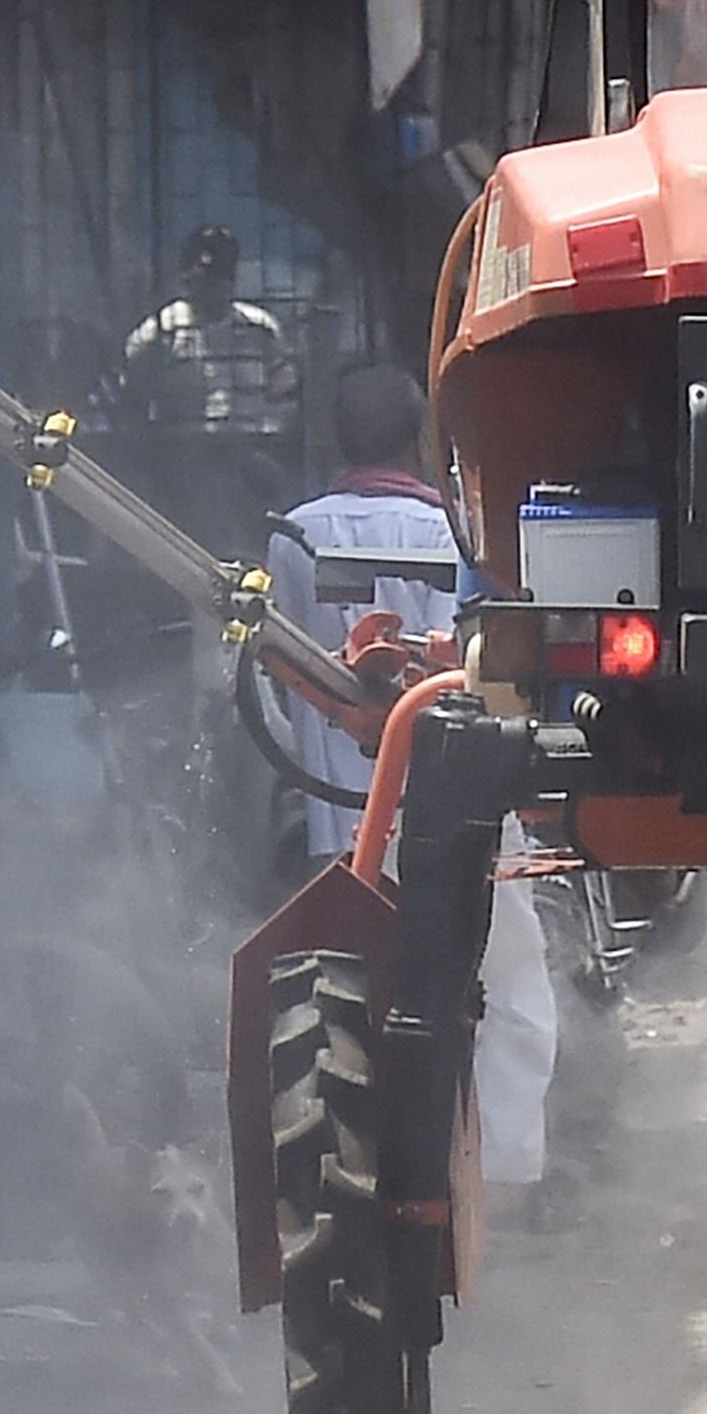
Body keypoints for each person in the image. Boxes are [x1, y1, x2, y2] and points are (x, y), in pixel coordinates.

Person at [269, 367, 558, 1199]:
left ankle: (368, 1180)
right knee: (509, 997)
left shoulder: (291, 538)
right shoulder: (462, 533)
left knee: (351, 1012)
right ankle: (503, 1179)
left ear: (336, 441)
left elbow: (286, 680)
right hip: (467, 820)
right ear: (423, 443)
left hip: (343, 833)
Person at [122, 224, 305, 538]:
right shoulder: (161, 330)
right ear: (187, 278)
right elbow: (131, 393)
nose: (212, 287)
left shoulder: (259, 328)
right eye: (203, 278)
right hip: (183, 457)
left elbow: (285, 387)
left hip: (249, 452)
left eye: (219, 277)